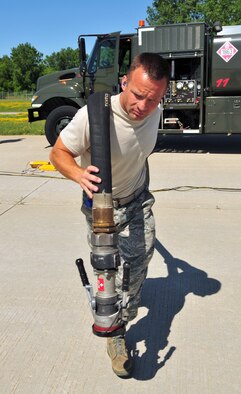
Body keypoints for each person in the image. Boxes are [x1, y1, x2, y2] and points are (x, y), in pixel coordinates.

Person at [50, 52, 170, 378]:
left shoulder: (153, 110)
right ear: (124, 82)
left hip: (136, 201)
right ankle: (114, 335)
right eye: (139, 95)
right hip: (101, 204)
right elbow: (58, 152)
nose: (144, 106)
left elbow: (139, 151)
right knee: (107, 270)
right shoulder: (94, 115)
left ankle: (122, 321)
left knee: (138, 263)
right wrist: (77, 174)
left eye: (154, 99)